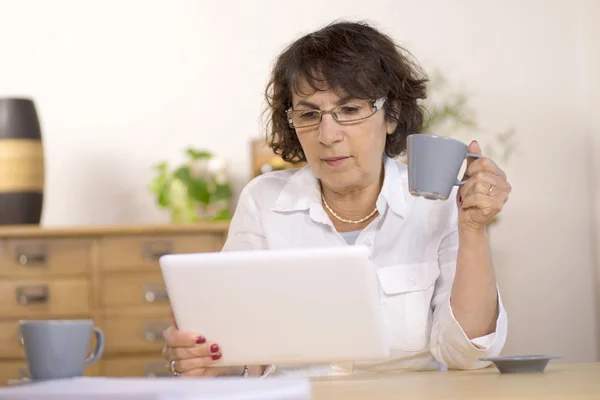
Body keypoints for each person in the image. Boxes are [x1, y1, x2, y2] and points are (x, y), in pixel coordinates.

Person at [162, 20, 511, 378]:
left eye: (349, 110)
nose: (328, 135)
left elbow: (465, 355)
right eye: (309, 114)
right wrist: (204, 360)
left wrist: (472, 228)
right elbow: (238, 352)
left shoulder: (437, 204)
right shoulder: (262, 202)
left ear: (390, 115)